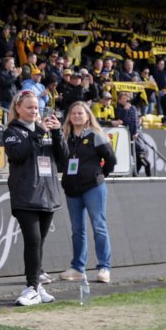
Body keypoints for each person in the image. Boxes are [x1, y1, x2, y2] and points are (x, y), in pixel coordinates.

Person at [4, 90, 68, 306]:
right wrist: (39, 131)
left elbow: (63, 159)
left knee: (39, 243)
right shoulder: (12, 131)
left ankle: (36, 287)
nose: (34, 111)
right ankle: (31, 286)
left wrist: (58, 133)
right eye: (29, 107)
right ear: (18, 108)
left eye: (36, 108)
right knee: (33, 242)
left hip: (47, 195)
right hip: (25, 196)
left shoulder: (46, 130)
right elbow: (17, 154)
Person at [59, 101, 115, 285]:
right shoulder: (64, 136)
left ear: (87, 116)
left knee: (99, 226)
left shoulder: (95, 135)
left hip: (93, 187)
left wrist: (99, 175)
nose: (76, 116)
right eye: (73, 113)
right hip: (72, 189)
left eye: (80, 113)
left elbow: (110, 159)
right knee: (77, 230)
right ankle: (77, 268)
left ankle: (104, 268)